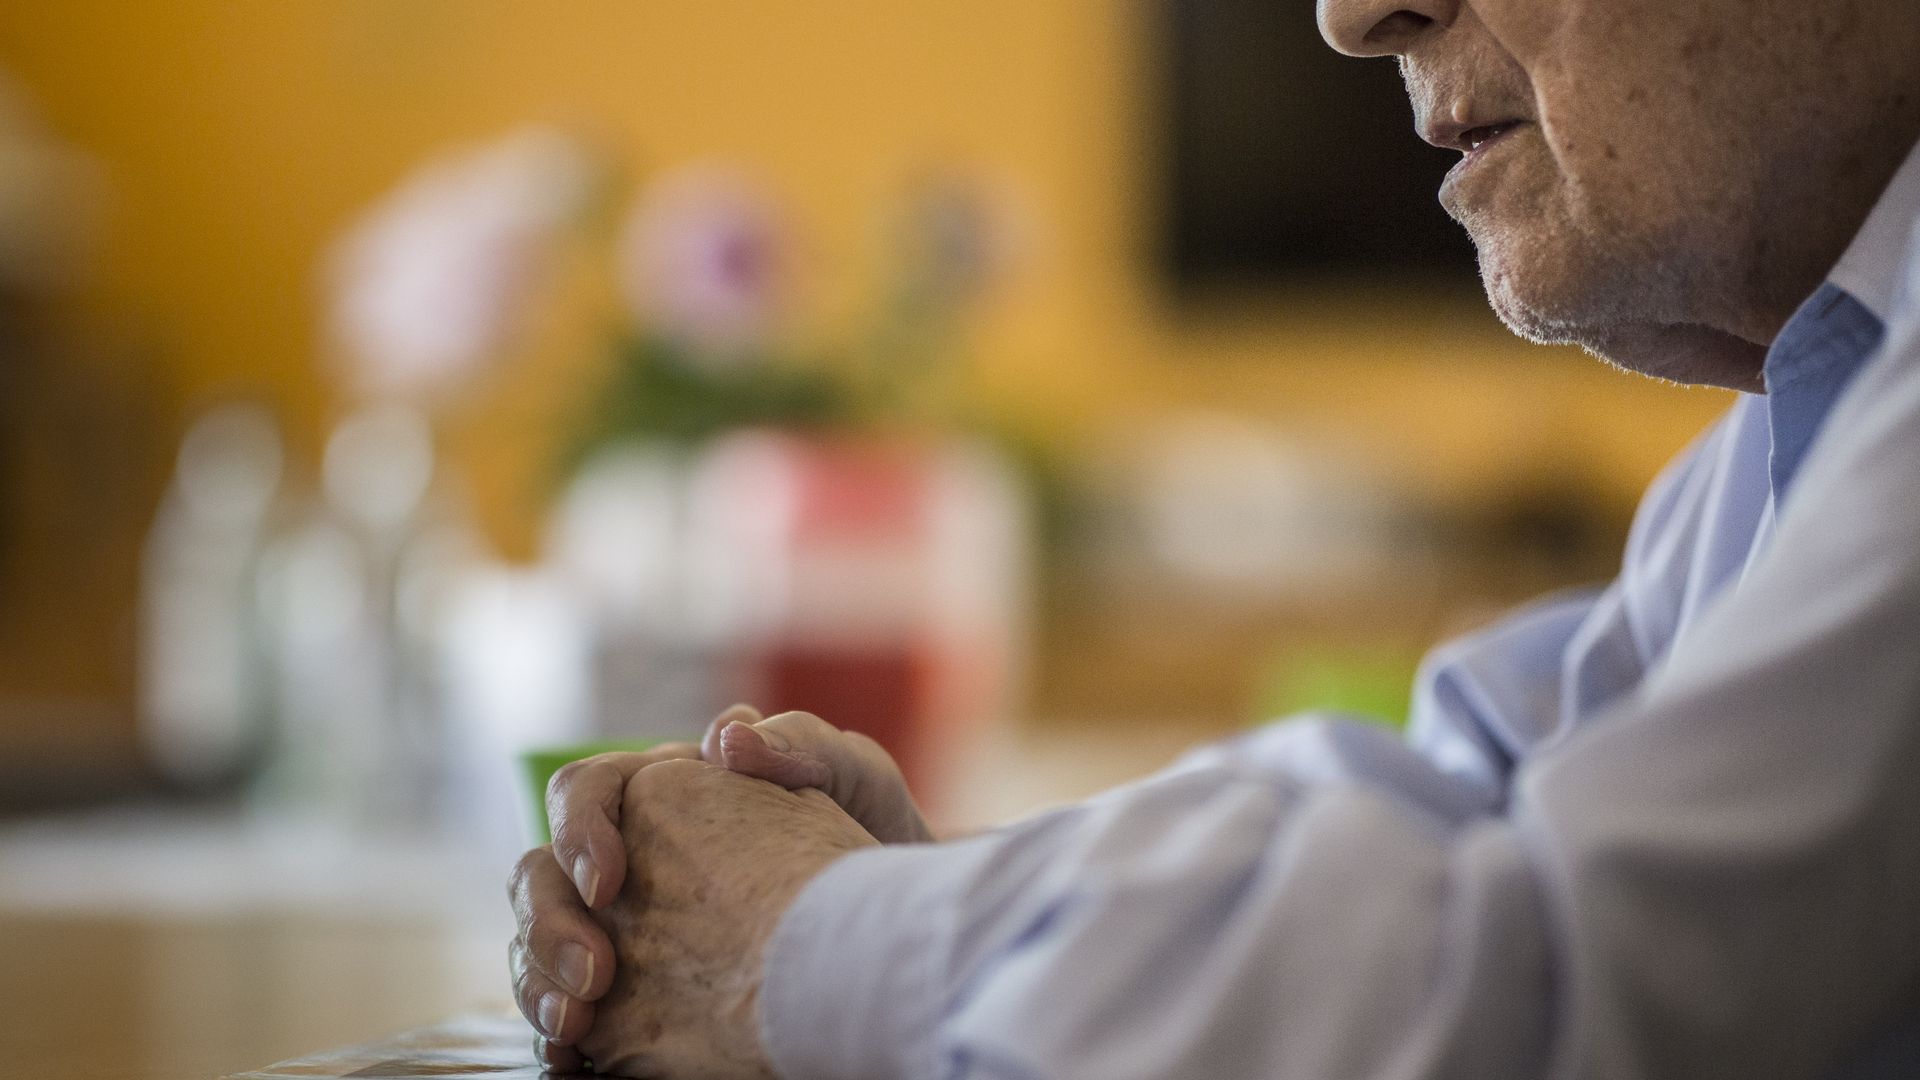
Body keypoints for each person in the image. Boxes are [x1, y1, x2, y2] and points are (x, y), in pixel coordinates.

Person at [508, 0, 1920, 1075]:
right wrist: (913, 893)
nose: (1353, 15)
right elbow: (1456, 808)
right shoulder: (1821, 401)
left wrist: (790, 946)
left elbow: (1542, 989)